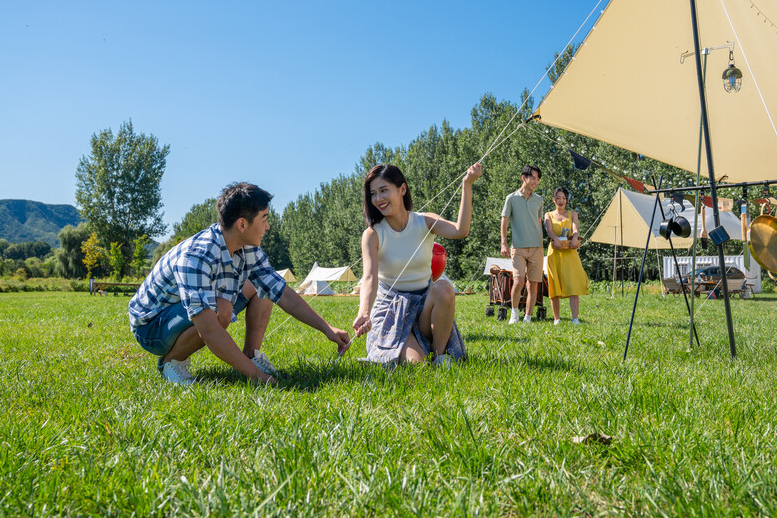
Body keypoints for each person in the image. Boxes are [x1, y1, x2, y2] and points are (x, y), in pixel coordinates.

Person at [128, 182, 351, 386]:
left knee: (262, 288)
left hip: (187, 312)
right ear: (242, 224)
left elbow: (281, 292)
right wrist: (257, 377)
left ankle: (251, 355)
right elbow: (209, 329)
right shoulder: (197, 256)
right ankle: (171, 362)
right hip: (152, 327)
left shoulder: (250, 250)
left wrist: (327, 329)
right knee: (221, 309)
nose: (268, 226)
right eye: (264, 218)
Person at [352, 162, 482, 366]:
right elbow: (369, 278)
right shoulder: (372, 234)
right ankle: (410, 354)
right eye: (373, 193)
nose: (378, 199)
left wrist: (467, 185)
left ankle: (439, 355)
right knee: (416, 364)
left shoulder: (424, 221)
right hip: (392, 311)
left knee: (444, 288)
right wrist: (364, 312)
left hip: (424, 309)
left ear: (402, 189)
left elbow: (460, 230)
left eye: (384, 190)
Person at [500, 164, 544, 324]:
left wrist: (541, 244)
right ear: (523, 178)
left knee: (533, 285)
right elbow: (504, 221)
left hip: (537, 248)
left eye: (538, 179)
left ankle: (528, 317)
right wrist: (503, 244)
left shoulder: (539, 200)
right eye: (533, 178)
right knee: (518, 281)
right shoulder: (511, 198)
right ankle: (514, 313)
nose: (536, 181)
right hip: (518, 247)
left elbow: (539, 223)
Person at [544, 187, 589, 324]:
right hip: (555, 252)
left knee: (573, 283)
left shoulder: (572, 214)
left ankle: (575, 318)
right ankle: (556, 319)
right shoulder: (548, 215)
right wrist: (555, 238)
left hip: (570, 251)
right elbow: (549, 231)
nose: (561, 201)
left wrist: (575, 237)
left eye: (563, 198)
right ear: (554, 199)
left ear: (567, 200)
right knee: (554, 284)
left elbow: (575, 229)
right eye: (558, 198)